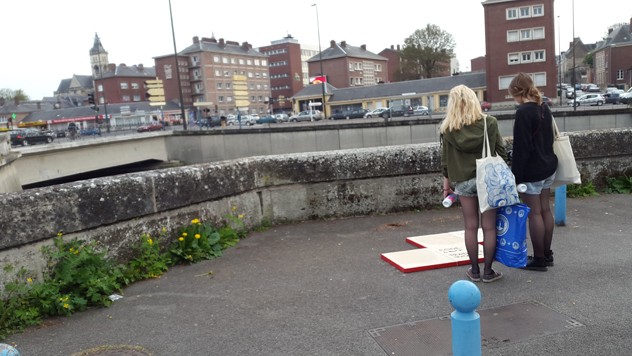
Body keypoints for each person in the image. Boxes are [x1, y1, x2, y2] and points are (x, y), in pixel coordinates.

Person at [440, 85, 507, 283]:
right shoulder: (490, 123)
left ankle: (474, 271)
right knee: (489, 227)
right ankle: (488, 272)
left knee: (470, 226)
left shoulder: (448, 129)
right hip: (488, 180)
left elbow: (445, 162)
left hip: (463, 181)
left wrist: (446, 187)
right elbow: (501, 154)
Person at [508, 73, 558, 271]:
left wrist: (516, 177)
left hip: (532, 172)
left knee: (534, 214)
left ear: (516, 93)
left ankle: (538, 260)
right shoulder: (544, 107)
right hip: (548, 167)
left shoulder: (523, 113)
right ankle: (547, 254)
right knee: (545, 211)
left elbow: (522, 149)